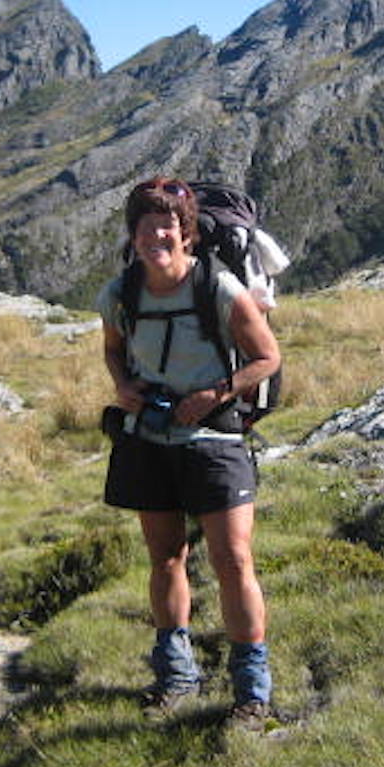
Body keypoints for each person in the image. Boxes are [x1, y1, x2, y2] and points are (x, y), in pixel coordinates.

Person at [96, 177, 281, 728]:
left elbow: (266, 357)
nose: (157, 236)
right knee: (165, 559)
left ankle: (252, 690)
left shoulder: (218, 288)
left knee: (233, 560)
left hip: (214, 439)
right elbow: (112, 349)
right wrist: (122, 386)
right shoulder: (120, 294)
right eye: (146, 227)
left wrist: (214, 395)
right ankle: (176, 675)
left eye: (167, 226)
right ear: (133, 236)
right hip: (148, 437)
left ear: (186, 233)